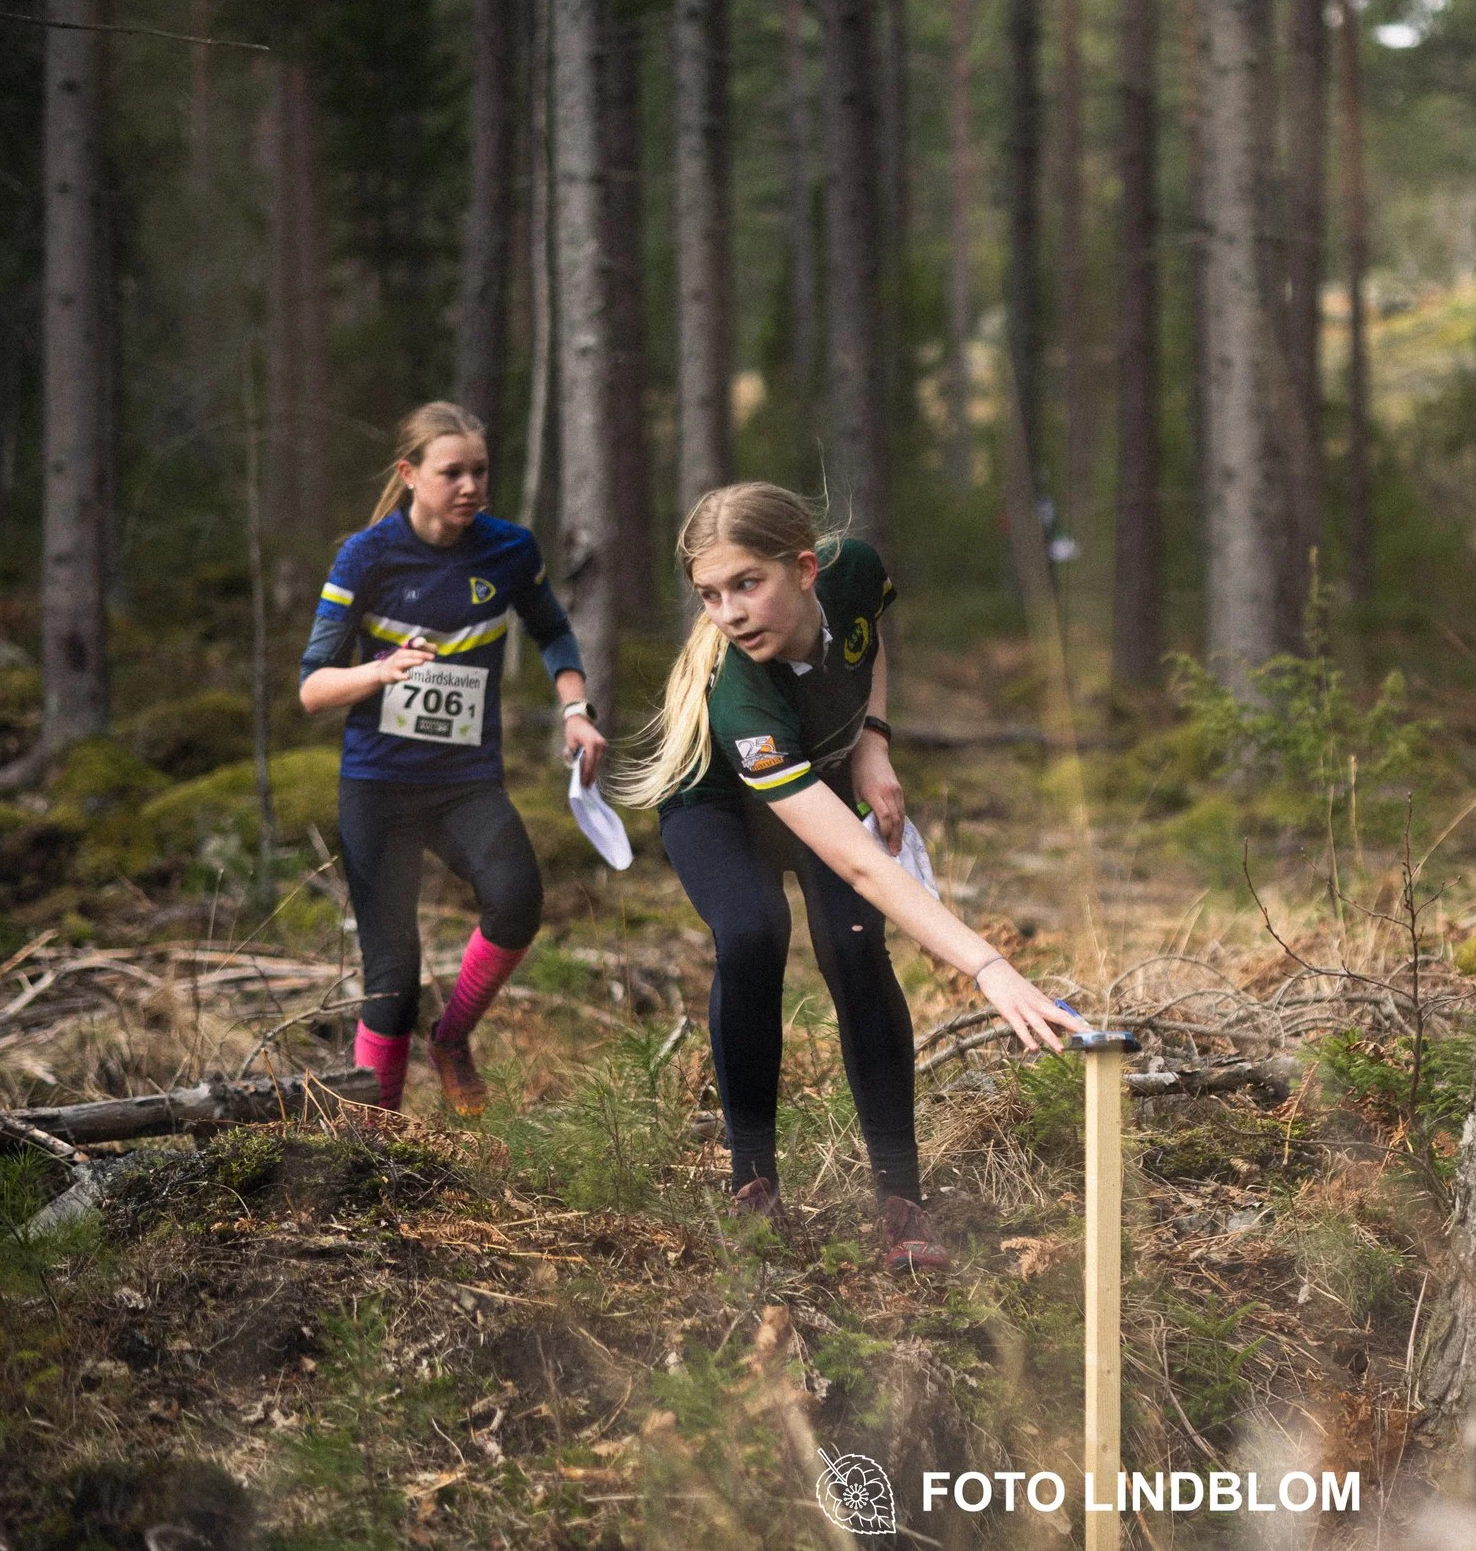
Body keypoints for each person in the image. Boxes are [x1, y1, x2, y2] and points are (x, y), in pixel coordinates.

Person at [616, 483, 1085, 1271]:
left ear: (804, 568)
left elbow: (870, 639)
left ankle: (902, 1202)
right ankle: (753, 1185)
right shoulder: (742, 696)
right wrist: (988, 965)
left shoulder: (854, 567)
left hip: (823, 769)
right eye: (709, 595)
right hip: (717, 802)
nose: (728, 612)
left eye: (746, 584)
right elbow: (863, 863)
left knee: (856, 947)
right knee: (753, 932)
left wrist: (873, 737)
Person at [299, 402, 608, 1115]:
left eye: (480, 471)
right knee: (392, 976)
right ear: (410, 475)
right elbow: (313, 687)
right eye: (452, 472)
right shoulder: (366, 556)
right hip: (378, 786)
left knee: (518, 898)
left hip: (466, 782)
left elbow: (555, 634)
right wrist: (377, 672)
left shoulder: (508, 550)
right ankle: (374, 1139)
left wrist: (574, 710)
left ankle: (453, 1038)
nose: (470, 486)